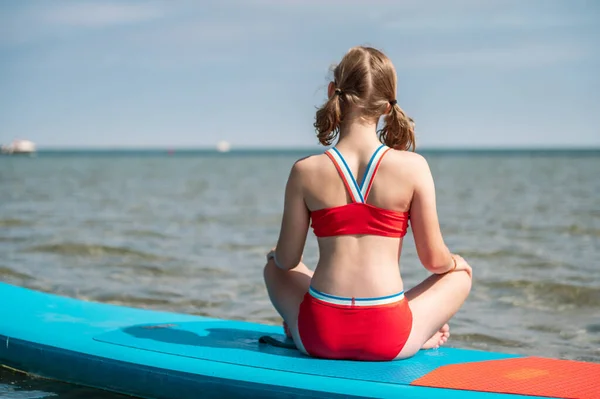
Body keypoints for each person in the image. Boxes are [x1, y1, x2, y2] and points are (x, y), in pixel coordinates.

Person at [263, 46, 473, 361]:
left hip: (319, 335)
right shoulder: (413, 168)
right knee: (460, 275)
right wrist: (456, 263)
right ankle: (417, 337)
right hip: (388, 337)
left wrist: (275, 257)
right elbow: (434, 261)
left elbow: (287, 261)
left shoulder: (305, 171)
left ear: (334, 92)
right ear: (389, 105)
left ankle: (296, 327)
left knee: (272, 267)